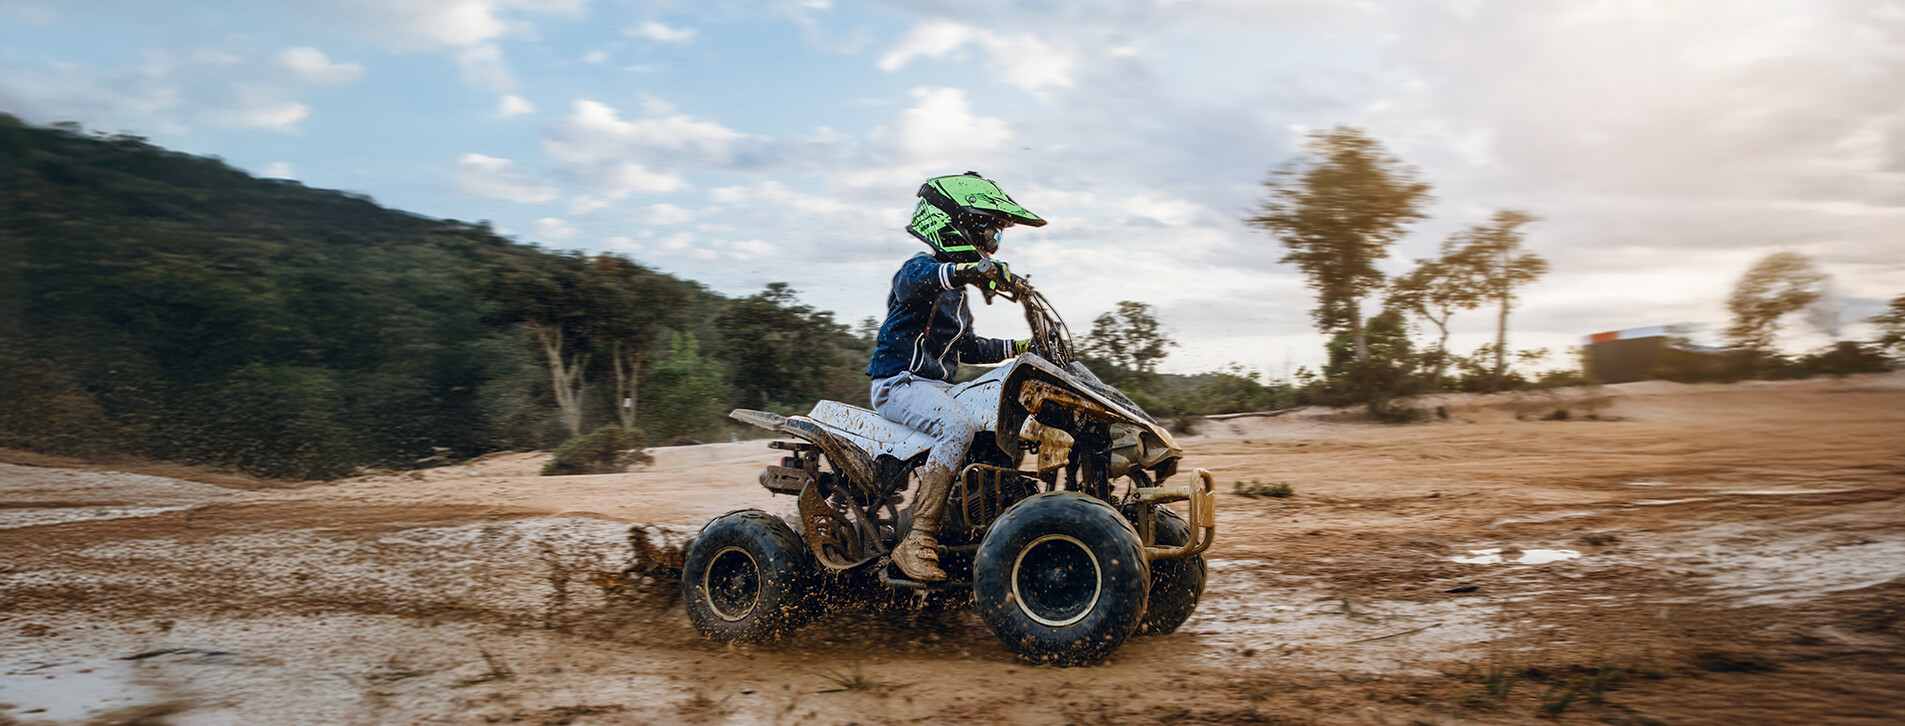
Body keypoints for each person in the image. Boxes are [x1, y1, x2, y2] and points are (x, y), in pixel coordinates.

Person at [866, 171, 1046, 581]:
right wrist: (972, 270)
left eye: (995, 236)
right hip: (899, 384)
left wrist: (1020, 350)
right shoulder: (919, 270)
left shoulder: (956, 296)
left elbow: (968, 348)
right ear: (956, 224)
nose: (991, 243)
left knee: (1003, 413)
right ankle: (918, 540)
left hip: (937, 386)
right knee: (958, 426)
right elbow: (920, 281)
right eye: (989, 231)